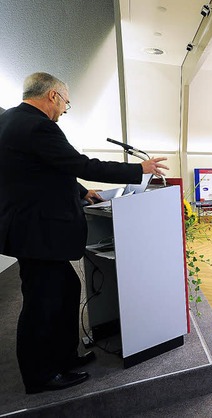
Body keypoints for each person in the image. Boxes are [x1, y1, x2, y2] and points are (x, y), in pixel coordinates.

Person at [0, 72, 168, 394]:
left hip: (30, 230)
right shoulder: (38, 125)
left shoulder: (12, 121)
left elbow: (47, 170)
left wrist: (81, 191)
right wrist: (138, 170)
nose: (64, 110)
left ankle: (64, 357)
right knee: (41, 302)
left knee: (65, 287)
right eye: (66, 102)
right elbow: (80, 163)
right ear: (52, 96)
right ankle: (40, 376)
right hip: (38, 233)